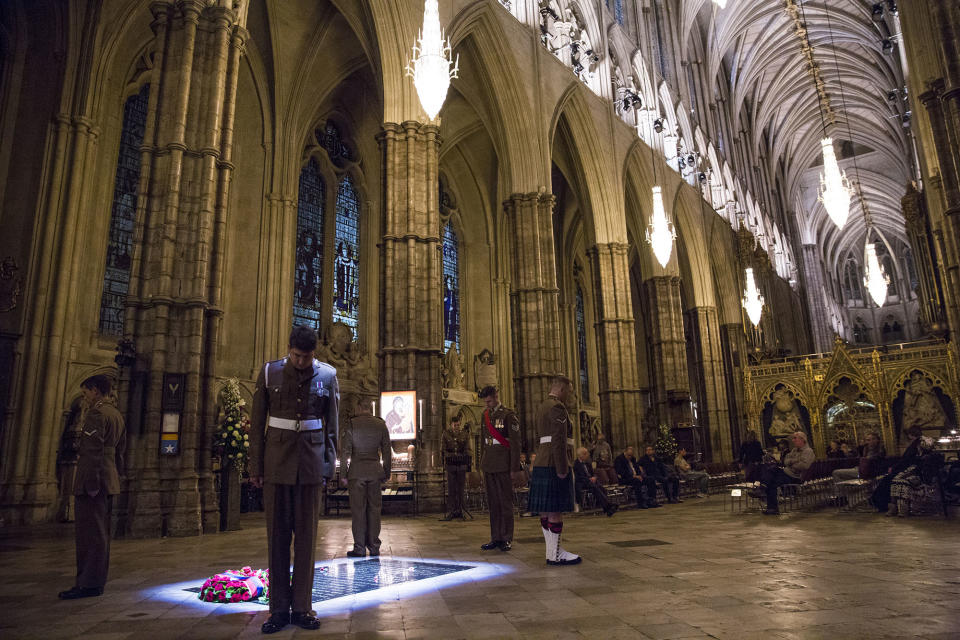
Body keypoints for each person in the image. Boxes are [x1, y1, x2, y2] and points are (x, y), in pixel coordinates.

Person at [249, 325, 339, 634]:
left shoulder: (327, 375)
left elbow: (331, 427)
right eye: (298, 356)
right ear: (290, 350)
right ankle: (277, 610)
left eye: (308, 357)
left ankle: (302, 607)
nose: (302, 362)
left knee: (306, 539)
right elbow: (258, 423)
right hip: (276, 464)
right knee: (277, 538)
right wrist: (255, 467)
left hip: (311, 466)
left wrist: (329, 467)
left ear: (315, 354)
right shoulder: (270, 372)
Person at [58, 375, 125, 600]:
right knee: (100, 534)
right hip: (109, 479)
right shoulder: (116, 414)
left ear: (95, 390)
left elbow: (93, 452)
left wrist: (92, 484)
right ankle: (94, 580)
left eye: (86, 392)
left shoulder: (98, 413)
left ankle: (88, 583)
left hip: (93, 482)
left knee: (90, 534)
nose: (85, 397)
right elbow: (120, 452)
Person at [528, 376, 580, 565]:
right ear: (562, 389)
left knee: (545, 510)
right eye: (570, 391)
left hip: (542, 461)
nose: (570, 395)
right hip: (553, 463)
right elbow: (558, 440)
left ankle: (552, 552)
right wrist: (562, 467)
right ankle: (555, 554)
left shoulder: (542, 406)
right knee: (555, 510)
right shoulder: (558, 407)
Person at [341, 398, 391, 557]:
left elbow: (345, 452)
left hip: (356, 473)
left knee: (358, 511)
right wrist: (386, 472)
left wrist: (343, 474)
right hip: (375, 472)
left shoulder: (352, 424)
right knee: (375, 510)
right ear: (370, 408)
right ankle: (374, 547)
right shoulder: (380, 424)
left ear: (359, 407)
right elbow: (387, 451)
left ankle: (360, 548)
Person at [477, 386, 523, 551]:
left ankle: (506, 538)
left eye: (489, 401)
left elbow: (515, 444)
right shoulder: (485, 416)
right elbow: (483, 442)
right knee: (493, 503)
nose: (487, 404)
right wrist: (482, 463)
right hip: (489, 464)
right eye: (485, 402)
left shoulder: (508, 415)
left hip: (504, 464)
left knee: (505, 502)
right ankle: (495, 537)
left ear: (496, 397)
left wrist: (514, 468)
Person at [756, 431, 814, 515]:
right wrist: (795, 461)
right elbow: (786, 461)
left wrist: (791, 463)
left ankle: (766, 496)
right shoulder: (794, 450)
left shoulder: (808, 451)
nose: (793, 440)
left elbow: (804, 466)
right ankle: (763, 487)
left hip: (795, 476)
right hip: (787, 472)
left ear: (802, 440)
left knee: (772, 483)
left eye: (795, 438)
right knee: (769, 469)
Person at [871, 426, 924, 513]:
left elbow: (906, 461)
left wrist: (894, 468)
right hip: (910, 469)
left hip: (909, 471)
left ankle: (883, 504)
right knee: (886, 479)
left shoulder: (915, 445)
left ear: (910, 435)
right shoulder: (918, 444)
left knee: (887, 480)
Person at [440, 414, 471, 520]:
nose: (457, 427)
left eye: (458, 425)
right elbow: (443, 450)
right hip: (451, 465)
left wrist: (464, 457)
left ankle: (461, 510)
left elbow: (467, 449)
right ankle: (452, 511)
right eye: (455, 425)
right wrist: (450, 456)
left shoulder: (465, 434)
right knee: (452, 489)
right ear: (451, 425)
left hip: (461, 465)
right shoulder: (445, 434)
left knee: (461, 489)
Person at [573, 447, 617, 516]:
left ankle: (606, 508)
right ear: (581, 455)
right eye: (586, 453)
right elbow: (579, 477)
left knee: (602, 488)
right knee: (595, 487)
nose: (588, 455)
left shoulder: (588, 462)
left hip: (590, 481)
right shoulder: (576, 464)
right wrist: (589, 479)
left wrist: (594, 477)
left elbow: (593, 473)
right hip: (582, 483)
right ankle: (608, 506)